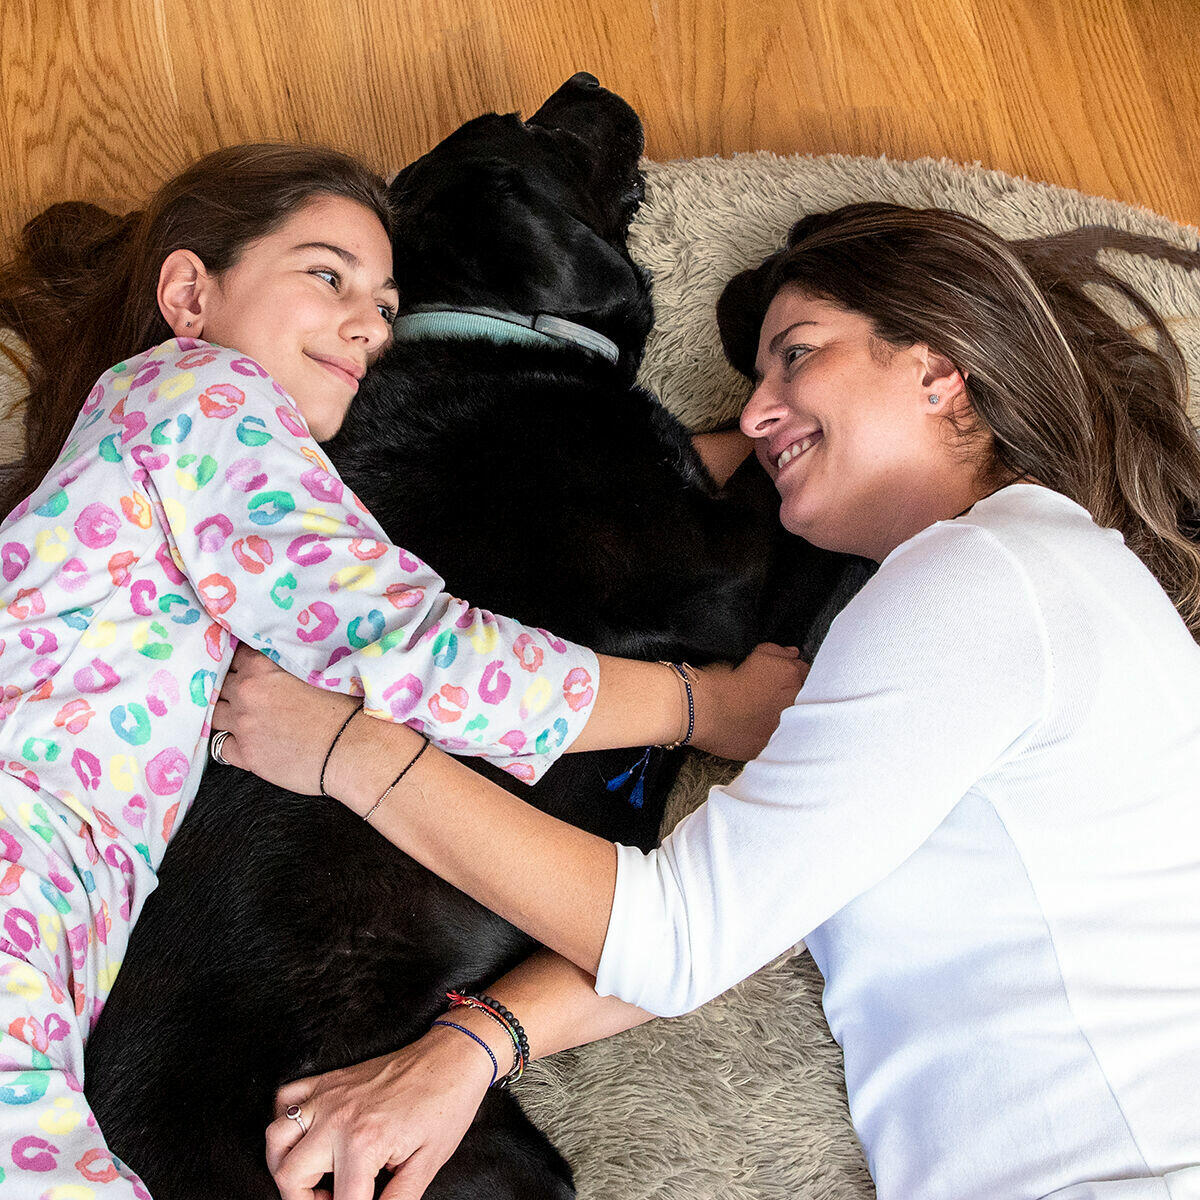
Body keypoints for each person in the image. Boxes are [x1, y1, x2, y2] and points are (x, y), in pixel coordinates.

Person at [216, 203, 1200, 1200]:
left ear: (937, 369)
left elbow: (682, 934)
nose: (763, 413)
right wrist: (471, 1047)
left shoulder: (984, 581)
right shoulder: (1016, 582)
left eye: (797, 357)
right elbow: (746, 901)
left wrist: (350, 751)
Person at [0, 143, 802, 1197]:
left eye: (386, 298)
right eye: (328, 275)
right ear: (191, 294)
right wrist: (699, 705)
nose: (371, 323)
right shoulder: (204, 395)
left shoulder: (161, 427)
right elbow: (412, 651)